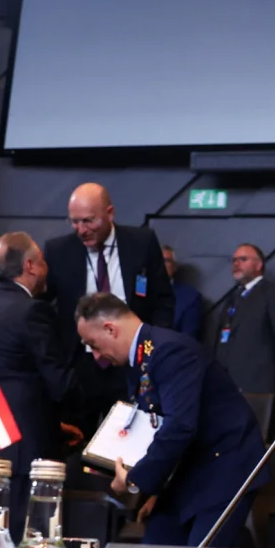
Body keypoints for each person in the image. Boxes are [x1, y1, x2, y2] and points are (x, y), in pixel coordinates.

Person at [74, 292, 268, 548]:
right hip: (187, 471)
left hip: (224, 470)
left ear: (110, 329)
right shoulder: (144, 353)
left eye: (94, 345)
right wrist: (155, 490)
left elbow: (179, 426)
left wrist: (136, 480)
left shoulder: (170, 351)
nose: (97, 355)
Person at [0, 232, 77, 541]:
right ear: (31, 266)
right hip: (19, 457)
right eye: (43, 261)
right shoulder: (31, 310)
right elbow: (61, 384)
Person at [43, 183, 175, 438]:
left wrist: (153, 352)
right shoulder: (58, 250)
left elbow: (163, 301)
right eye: (74, 222)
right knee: (76, 444)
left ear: (110, 213)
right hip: (81, 365)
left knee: (131, 439)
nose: (81, 230)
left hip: (133, 362)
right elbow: (44, 309)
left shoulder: (142, 242)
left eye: (89, 221)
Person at [213, 243, 275, 401]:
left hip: (258, 385)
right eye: (234, 260)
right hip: (228, 383)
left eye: (243, 259)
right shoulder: (233, 297)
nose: (236, 264)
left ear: (259, 264)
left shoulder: (273, 292)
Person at [162, 245, 202, 339]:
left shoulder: (190, 298)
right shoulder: (138, 293)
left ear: (174, 267)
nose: (160, 264)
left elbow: (188, 339)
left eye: (166, 261)